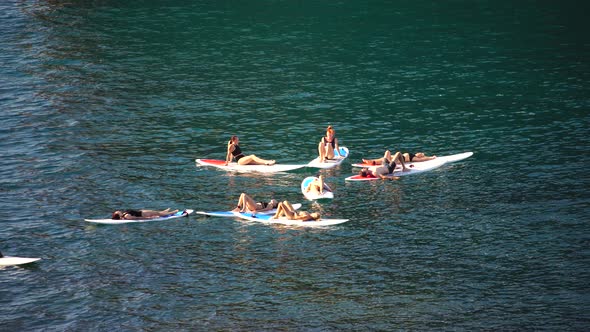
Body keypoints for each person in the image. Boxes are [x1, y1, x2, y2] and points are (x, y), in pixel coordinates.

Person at [362, 150, 436, 164]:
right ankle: (371, 161)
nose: (420, 153)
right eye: (421, 153)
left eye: (421, 154)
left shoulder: (413, 158)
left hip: (400, 160)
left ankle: (372, 162)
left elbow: (423, 160)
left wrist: (431, 158)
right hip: (396, 157)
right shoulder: (412, 155)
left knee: (385, 159)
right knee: (383, 158)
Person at [111, 208, 178, 220]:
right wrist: (148, 218)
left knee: (157, 212)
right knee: (158, 213)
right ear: (118, 215)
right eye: (117, 212)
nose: (117, 211)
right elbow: (137, 218)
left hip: (142, 212)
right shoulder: (127, 216)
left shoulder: (124, 215)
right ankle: (173, 212)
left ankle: (164, 211)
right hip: (144, 214)